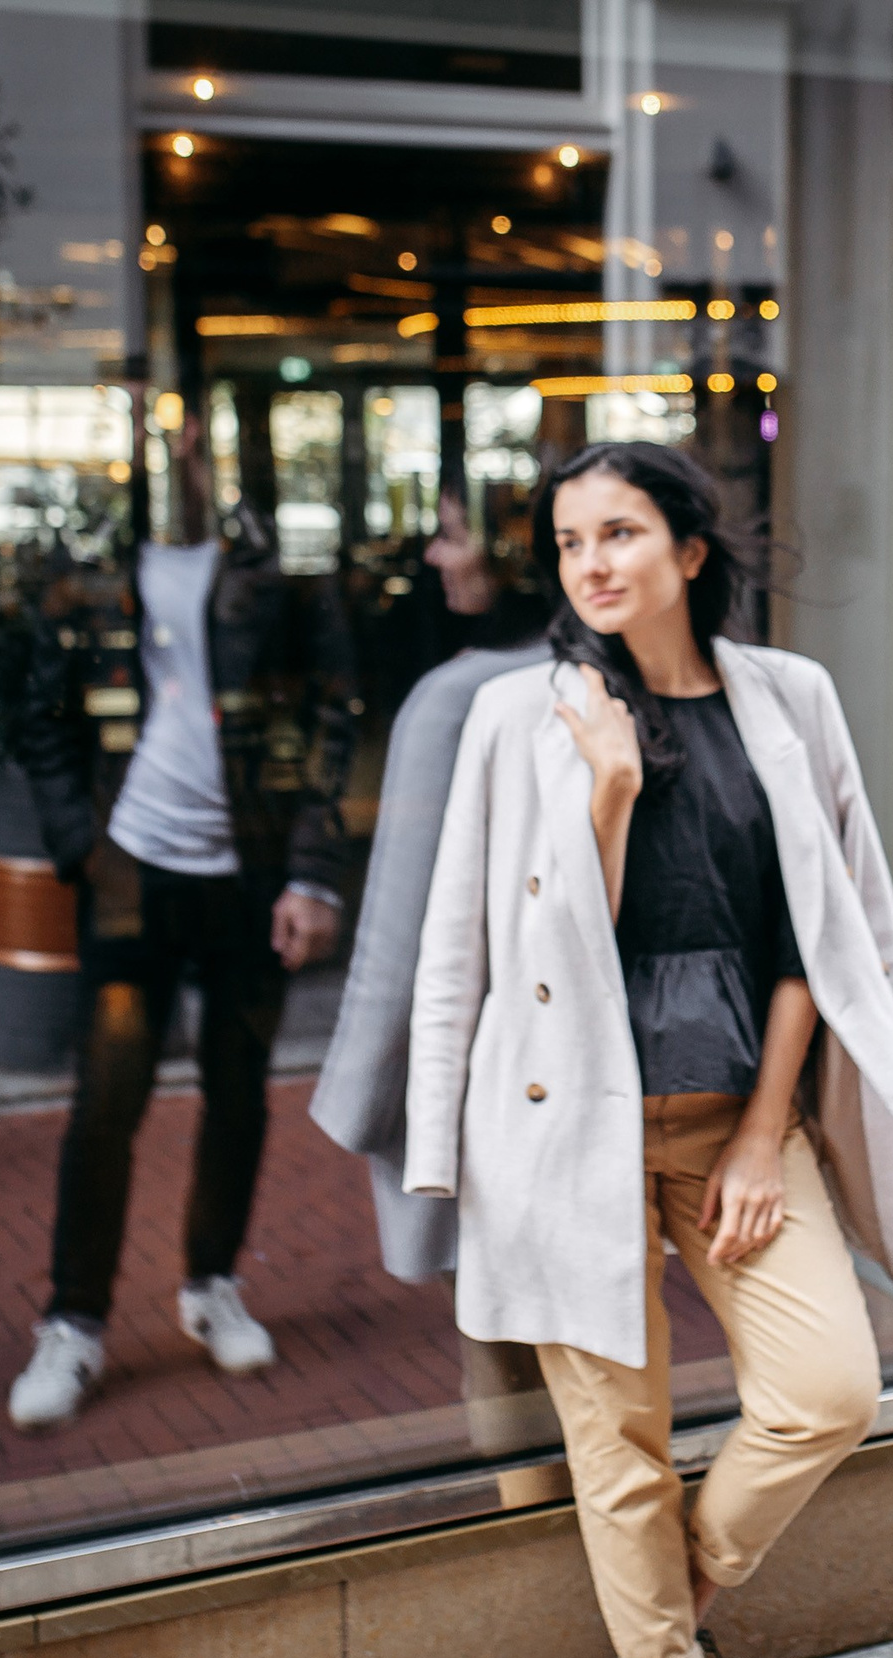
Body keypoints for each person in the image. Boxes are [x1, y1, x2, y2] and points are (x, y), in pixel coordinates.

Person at [404, 443, 893, 1658]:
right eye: (568, 542)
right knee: (616, 1437)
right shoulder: (524, 713)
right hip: (569, 1125)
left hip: (736, 1112)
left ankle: (689, 1578)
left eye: (617, 532)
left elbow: (813, 941)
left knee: (828, 1388)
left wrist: (760, 1129)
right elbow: (481, 941)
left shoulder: (789, 697)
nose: (590, 563)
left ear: (686, 549)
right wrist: (610, 791)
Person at [4, 416, 359, 1431]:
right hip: (128, 876)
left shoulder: (271, 575)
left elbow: (327, 715)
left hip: (245, 877)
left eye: (200, 439)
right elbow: (42, 718)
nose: (184, 457)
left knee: (238, 1091)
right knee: (105, 1103)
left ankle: (210, 1284)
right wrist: (84, 846)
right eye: (169, 438)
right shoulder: (90, 577)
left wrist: (311, 874)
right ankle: (72, 1323)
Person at [311, 490, 556, 1477]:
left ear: (511, 560)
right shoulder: (620, 671)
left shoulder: (459, 697)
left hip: (492, 1072)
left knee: (504, 1356)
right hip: (605, 1071)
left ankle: (541, 1554)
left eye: (458, 536)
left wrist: (364, 1100)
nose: (435, 553)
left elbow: (399, 937)